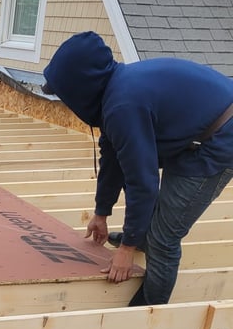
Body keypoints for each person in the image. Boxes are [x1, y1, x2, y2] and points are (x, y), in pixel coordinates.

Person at [42, 30, 233, 306]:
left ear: (79, 87)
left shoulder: (122, 104)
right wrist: (101, 212)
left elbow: (142, 182)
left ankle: (150, 310)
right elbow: (112, 156)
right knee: (155, 222)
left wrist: (127, 248)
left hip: (219, 139)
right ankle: (142, 237)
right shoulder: (116, 91)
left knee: (164, 239)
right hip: (198, 133)